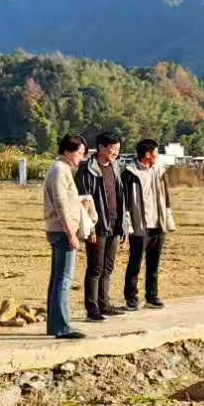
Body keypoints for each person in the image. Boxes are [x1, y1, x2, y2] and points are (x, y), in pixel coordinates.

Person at [41, 134, 91, 339]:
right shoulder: (60, 170)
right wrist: (71, 234)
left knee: (58, 278)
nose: (82, 157)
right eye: (80, 153)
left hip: (59, 229)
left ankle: (55, 325)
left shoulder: (61, 168)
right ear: (68, 151)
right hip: (62, 231)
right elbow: (61, 204)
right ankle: (62, 326)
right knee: (64, 278)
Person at [120, 137, 174, 310]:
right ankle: (131, 298)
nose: (158, 155)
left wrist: (168, 218)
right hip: (139, 225)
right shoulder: (129, 173)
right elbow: (124, 202)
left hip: (158, 225)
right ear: (147, 154)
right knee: (135, 263)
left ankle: (152, 296)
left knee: (154, 263)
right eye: (156, 152)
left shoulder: (160, 171)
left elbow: (166, 197)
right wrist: (127, 225)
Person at [77, 132, 126, 321]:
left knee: (107, 268)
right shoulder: (87, 169)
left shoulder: (115, 167)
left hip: (114, 224)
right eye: (113, 149)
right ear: (101, 147)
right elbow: (83, 201)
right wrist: (89, 228)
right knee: (95, 268)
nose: (116, 153)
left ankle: (104, 304)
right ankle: (92, 309)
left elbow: (121, 197)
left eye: (118, 149)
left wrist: (123, 225)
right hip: (97, 226)